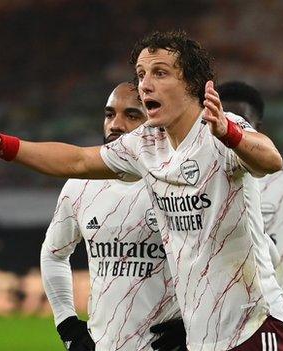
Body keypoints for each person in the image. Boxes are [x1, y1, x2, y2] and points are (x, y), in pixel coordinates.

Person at [0, 30, 283, 350]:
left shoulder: (219, 129)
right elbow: (76, 161)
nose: (146, 84)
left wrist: (230, 133)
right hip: (204, 336)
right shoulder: (145, 144)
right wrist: (2, 145)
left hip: (254, 323)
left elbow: (269, 160)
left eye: (160, 73)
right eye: (141, 74)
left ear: (193, 83)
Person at [41, 82, 182, 351]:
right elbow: (53, 253)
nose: (115, 125)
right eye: (109, 114)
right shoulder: (80, 186)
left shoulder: (179, 181)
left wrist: (191, 324)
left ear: (156, 119)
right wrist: (68, 325)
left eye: (131, 115)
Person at [217, 81, 283, 300]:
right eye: (222, 119)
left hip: (276, 307)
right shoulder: (202, 184)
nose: (228, 129)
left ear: (259, 129)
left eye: (241, 122)